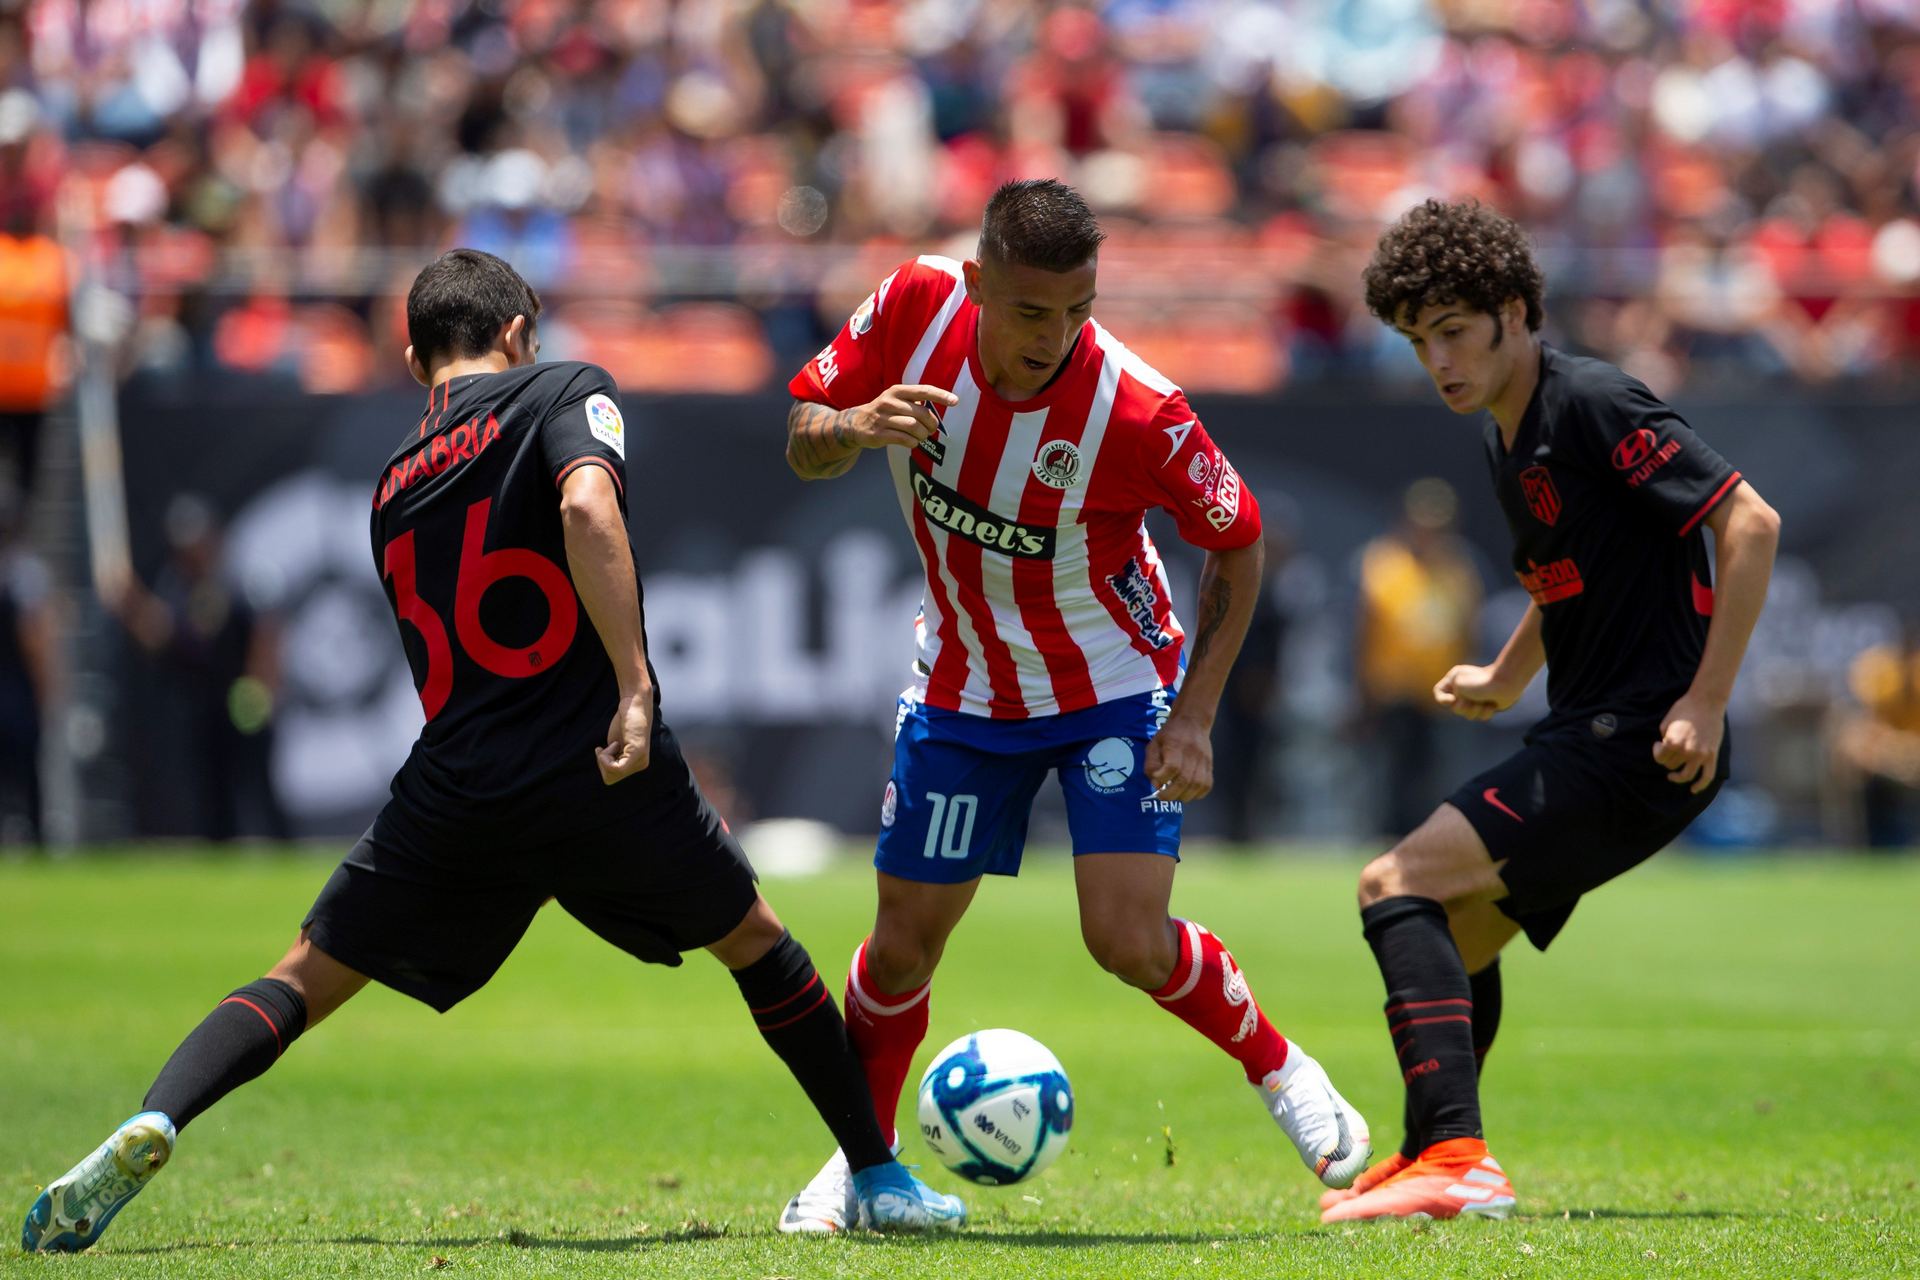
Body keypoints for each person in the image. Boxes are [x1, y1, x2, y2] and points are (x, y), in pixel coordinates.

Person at [21, 249, 963, 1254]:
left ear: (415, 352)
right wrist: (636, 686)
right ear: (517, 331)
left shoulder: (391, 484)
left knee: (300, 975)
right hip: (597, 756)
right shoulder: (562, 387)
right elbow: (587, 505)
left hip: (460, 779)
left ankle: (158, 1114)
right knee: (761, 946)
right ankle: (876, 1170)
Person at [777, 178, 1369, 1233]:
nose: (1056, 336)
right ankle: (866, 1162)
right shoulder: (912, 305)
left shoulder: (1134, 408)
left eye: (1078, 311)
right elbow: (804, 433)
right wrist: (856, 423)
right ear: (977, 286)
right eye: (1032, 311)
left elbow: (1237, 534)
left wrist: (1193, 716)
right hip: (962, 684)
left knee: (1128, 940)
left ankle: (1283, 1070)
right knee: (904, 941)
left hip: (1111, 686)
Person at [1323, 199, 1780, 1223]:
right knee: (1452, 934)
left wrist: (1705, 700)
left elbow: (1752, 523)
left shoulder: (1591, 403)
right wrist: (1501, 669)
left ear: (1518, 311)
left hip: (1642, 739)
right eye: (1416, 339)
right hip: (1591, 730)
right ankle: (1427, 1153)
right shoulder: (1507, 435)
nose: (1436, 357)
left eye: (1453, 329)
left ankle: (1457, 1156)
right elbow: (1557, 576)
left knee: (1393, 881)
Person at [105, 495, 291, 842]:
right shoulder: (177, 587)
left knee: (262, 791)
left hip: (246, 704)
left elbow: (267, 635)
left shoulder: (243, 579)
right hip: (204, 706)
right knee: (213, 799)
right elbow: (166, 638)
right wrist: (132, 605)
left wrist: (262, 687)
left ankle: (284, 850)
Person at [1353, 478, 1481, 838]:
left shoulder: (1458, 568)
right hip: (1392, 694)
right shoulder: (1384, 563)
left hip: (1440, 695)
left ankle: (1426, 844)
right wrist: (1364, 694)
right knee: (1390, 780)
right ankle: (1388, 844)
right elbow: (1364, 631)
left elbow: (1469, 630)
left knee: (1432, 780)